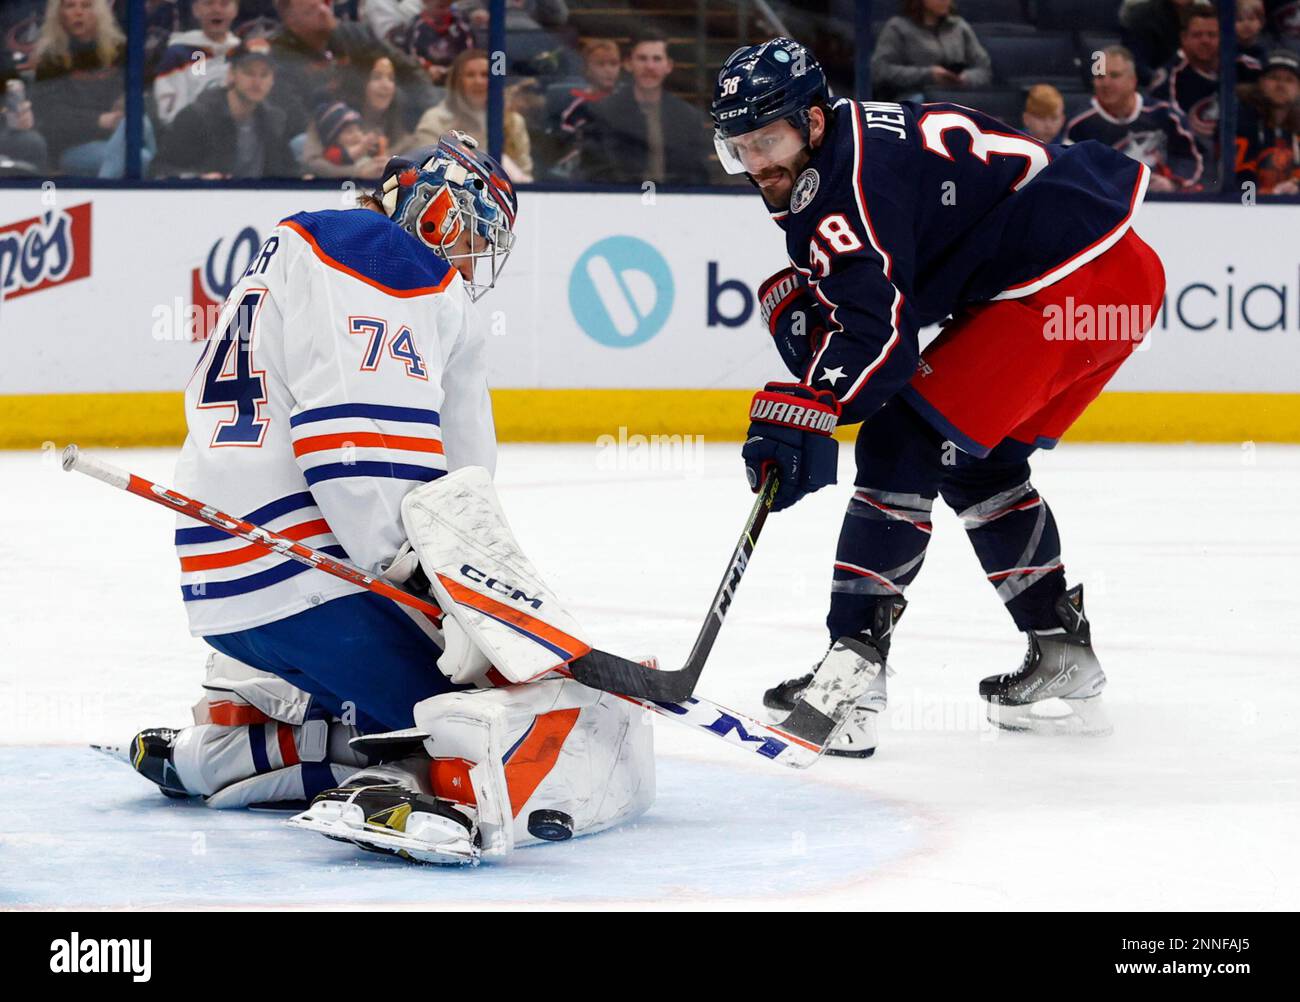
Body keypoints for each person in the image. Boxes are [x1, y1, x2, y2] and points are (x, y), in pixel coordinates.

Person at [120, 133, 653, 864]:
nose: (471, 258)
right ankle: (404, 782)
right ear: (430, 207)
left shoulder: (312, 249)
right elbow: (357, 446)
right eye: (471, 229)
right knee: (489, 714)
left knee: (398, 697)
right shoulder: (380, 254)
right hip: (319, 582)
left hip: (234, 591)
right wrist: (437, 583)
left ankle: (229, 745)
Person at [710, 38, 1165, 752]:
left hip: (1062, 283)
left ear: (814, 122)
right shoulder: (855, 143)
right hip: (1119, 277)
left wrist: (811, 406)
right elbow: (898, 287)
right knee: (979, 464)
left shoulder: (839, 188)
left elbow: (883, 343)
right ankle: (1062, 652)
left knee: (901, 444)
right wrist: (824, 368)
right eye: (740, 148)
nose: (759, 163)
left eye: (770, 139)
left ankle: (849, 682)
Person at [31, 0, 153, 176]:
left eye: (86, 5)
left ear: (99, 12)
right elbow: (50, 116)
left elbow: (146, 92)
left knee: (140, 121)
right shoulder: (51, 57)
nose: (78, 12)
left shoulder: (120, 49)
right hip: (74, 146)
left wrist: (126, 103)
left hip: (123, 136)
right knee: (141, 157)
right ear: (59, 14)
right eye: (70, 6)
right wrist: (101, 120)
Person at [579, 27, 711, 186]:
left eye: (657, 59)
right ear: (628, 64)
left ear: (668, 66)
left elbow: (698, 174)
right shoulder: (603, 113)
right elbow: (594, 172)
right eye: (642, 58)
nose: (649, 66)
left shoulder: (688, 117)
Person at [152, 38, 297, 178]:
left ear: (272, 81)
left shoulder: (274, 119)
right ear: (231, 74)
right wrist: (198, 179)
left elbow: (288, 170)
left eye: (264, 74)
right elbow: (160, 169)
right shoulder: (196, 116)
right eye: (249, 73)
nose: (257, 81)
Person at [1065, 45, 1203, 192]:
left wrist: (1173, 183)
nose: (1106, 83)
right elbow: (1073, 174)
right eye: (1100, 76)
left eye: (1114, 75)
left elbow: (1191, 160)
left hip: (1162, 202)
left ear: (1133, 80)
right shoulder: (1079, 124)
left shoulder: (1166, 115)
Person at [412, 48, 533, 180]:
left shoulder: (514, 122)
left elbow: (525, 175)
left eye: (485, 75)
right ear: (457, 82)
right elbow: (423, 171)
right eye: (470, 75)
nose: (478, 81)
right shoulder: (434, 120)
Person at [301, 55, 415, 177]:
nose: (386, 85)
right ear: (359, 83)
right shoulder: (331, 115)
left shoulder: (402, 125)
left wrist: (393, 166)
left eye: (391, 79)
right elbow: (310, 162)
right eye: (376, 78)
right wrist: (357, 172)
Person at [870, 0, 992, 102]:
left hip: (958, 96)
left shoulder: (960, 27)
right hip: (913, 97)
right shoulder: (897, 27)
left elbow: (984, 68)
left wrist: (964, 78)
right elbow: (880, 70)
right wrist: (929, 75)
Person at [151, 0, 241, 128]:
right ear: (196, 10)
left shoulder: (243, 52)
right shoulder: (178, 54)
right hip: (191, 137)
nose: (216, 9)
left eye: (224, 4)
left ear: (235, 10)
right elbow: (168, 113)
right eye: (209, 3)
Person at [1235, 48, 1300, 194]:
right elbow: (1240, 183)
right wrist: (1271, 195)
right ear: (1261, 82)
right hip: (1250, 212)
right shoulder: (1243, 123)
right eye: (1274, 78)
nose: (1281, 85)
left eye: (1289, 80)